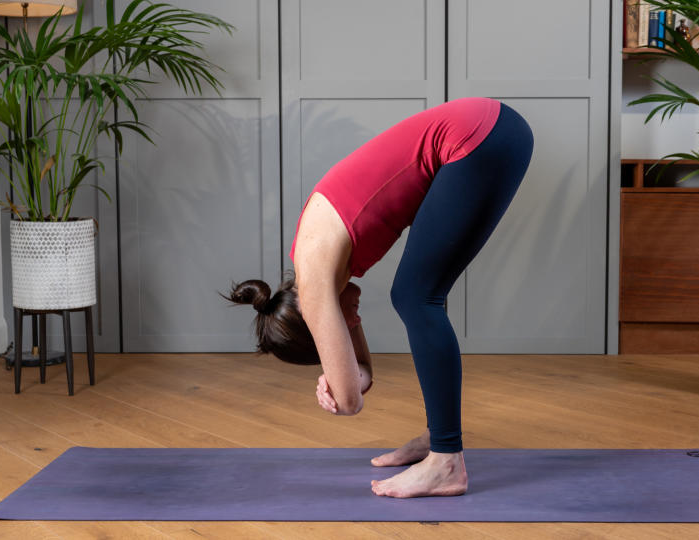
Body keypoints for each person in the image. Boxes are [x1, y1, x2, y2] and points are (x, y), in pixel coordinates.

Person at [224, 97, 534, 498]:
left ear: (317, 323)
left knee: (415, 296)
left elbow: (351, 403)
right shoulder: (317, 272)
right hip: (491, 129)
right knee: (412, 294)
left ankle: (446, 462)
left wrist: (338, 386)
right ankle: (437, 437)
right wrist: (352, 373)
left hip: (479, 136)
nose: (351, 319)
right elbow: (361, 367)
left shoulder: (316, 278)